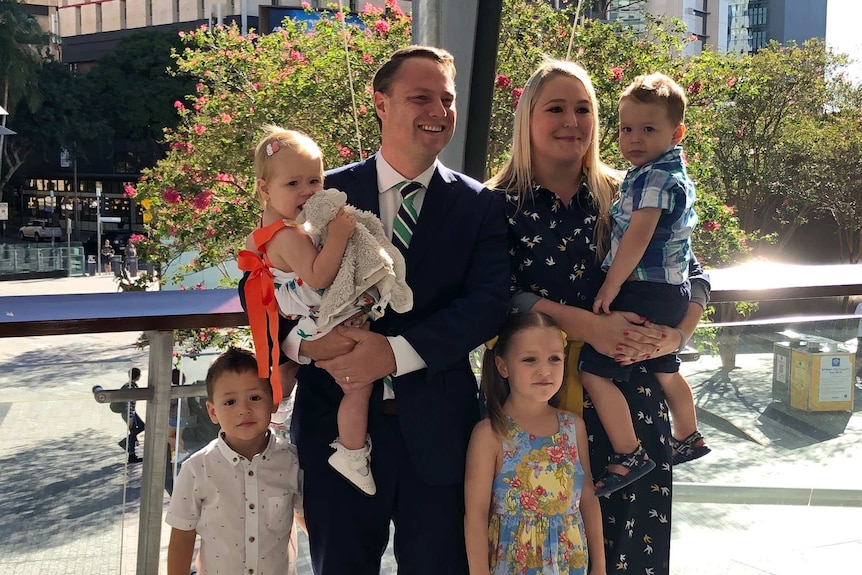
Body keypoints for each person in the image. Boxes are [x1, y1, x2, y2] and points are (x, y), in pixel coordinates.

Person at [276, 46, 509, 574]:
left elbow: (487, 305)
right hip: (331, 429)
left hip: (438, 434)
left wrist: (395, 354)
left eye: (446, 99)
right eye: (420, 97)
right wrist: (305, 345)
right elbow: (264, 283)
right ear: (381, 104)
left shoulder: (481, 205)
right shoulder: (320, 192)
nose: (438, 111)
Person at [486, 58, 710, 574]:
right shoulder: (495, 204)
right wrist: (585, 325)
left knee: (634, 551)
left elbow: (694, 272)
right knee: (539, 550)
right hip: (533, 405)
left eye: (583, 108)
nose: (572, 121)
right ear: (528, 118)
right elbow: (490, 299)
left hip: (631, 408)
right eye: (555, 108)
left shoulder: (631, 191)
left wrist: (677, 334)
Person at [238, 127, 405, 496]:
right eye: (294, 183)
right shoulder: (292, 234)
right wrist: (341, 236)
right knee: (358, 386)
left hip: (302, 319)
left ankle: (279, 404)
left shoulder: (265, 231)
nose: (308, 191)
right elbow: (318, 274)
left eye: (314, 180)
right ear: (265, 189)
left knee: (304, 370)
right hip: (316, 322)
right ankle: (351, 451)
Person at [578, 73, 709, 496]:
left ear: (677, 133)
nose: (634, 139)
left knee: (595, 373)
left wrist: (611, 286)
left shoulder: (651, 178)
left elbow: (638, 235)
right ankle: (688, 434)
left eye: (648, 129)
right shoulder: (668, 172)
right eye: (626, 128)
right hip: (671, 293)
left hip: (644, 288)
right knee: (664, 367)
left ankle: (628, 451)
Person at [464, 312, 605, 575]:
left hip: (570, 563)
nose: (545, 369)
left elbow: (587, 497)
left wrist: (600, 566)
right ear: (503, 366)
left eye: (554, 359)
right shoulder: (490, 434)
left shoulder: (573, 427)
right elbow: (475, 515)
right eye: (530, 359)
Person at [165, 347, 303, 575]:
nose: (244, 409)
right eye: (230, 402)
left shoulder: (293, 461)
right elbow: (182, 536)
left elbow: (311, 522)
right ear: (212, 412)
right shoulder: (196, 469)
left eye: (255, 397)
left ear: (273, 402)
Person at [117, 367, 145, 464]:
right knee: (134, 432)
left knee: (140, 427)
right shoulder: (130, 388)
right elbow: (128, 404)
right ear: (137, 376)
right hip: (129, 412)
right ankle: (131, 454)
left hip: (130, 412)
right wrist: (130, 417)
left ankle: (128, 445)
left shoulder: (130, 385)